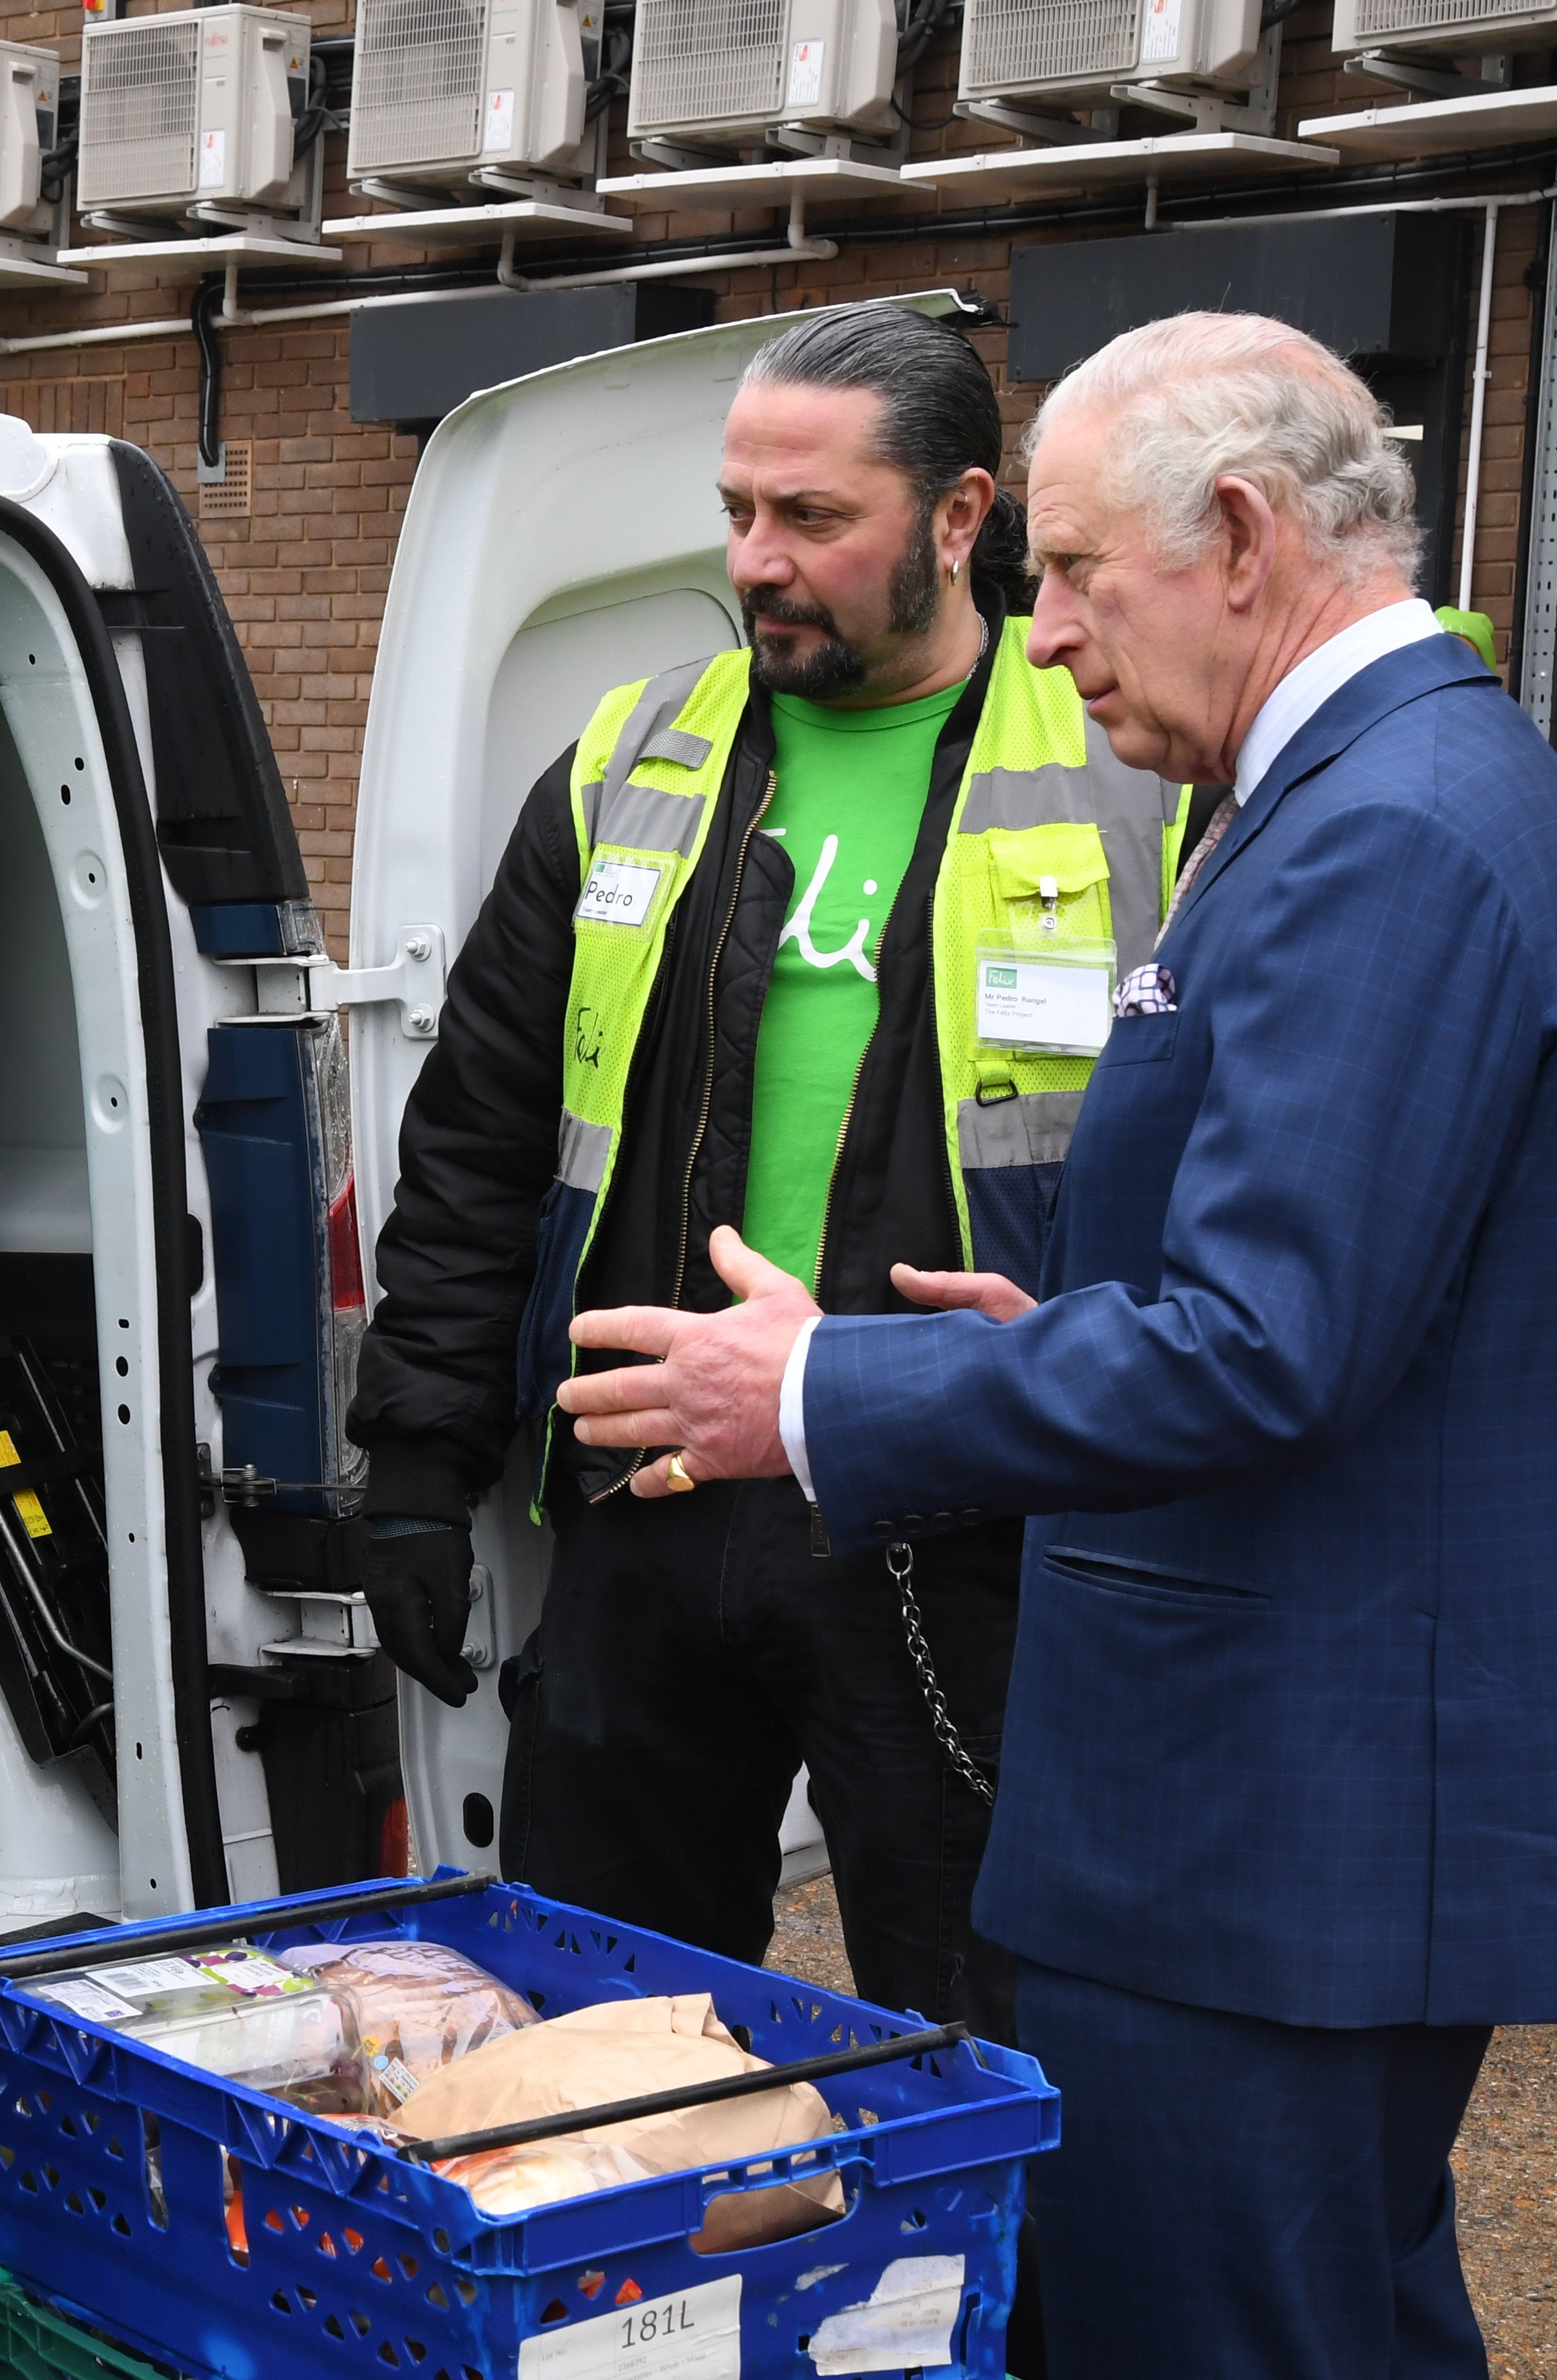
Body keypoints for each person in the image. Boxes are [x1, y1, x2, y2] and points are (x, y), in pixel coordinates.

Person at [559, 311, 1557, 2380]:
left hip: (1264, 1850)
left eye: (1068, 569)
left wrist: (808, 1395)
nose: (1039, 631)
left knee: (1219, 2353)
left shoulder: (1388, 834)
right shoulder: (1357, 794)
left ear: (1239, 535)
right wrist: (1057, 1336)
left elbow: (1268, 1352)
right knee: (1341, 2339)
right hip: (1278, 1825)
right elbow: (1334, 1306)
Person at [346, 302, 1186, 2057]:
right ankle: (635, 2323)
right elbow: (487, 1132)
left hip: (953, 1511)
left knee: (985, 2027)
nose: (757, 561)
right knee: (602, 2022)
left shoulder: (1130, 772)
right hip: (650, 1495)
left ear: (963, 519)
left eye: (813, 520)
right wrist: (419, 1459)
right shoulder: (628, 760)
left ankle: (989, 2330)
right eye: (739, 512)